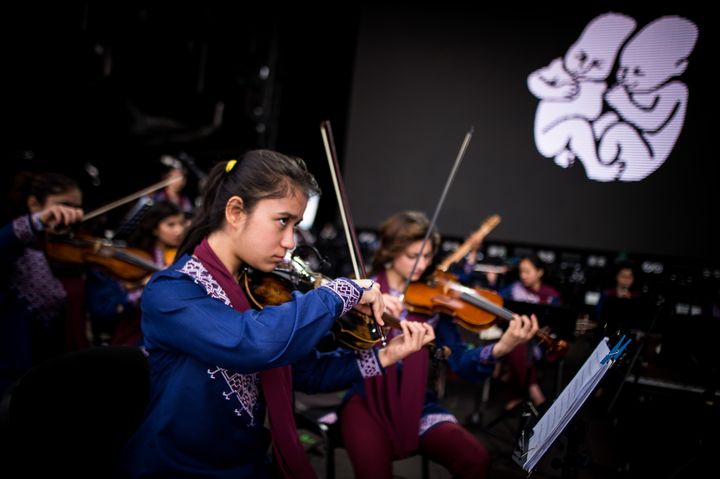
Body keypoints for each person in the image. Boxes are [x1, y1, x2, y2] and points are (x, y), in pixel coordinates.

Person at [121, 150, 435, 478]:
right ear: (236, 211)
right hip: (178, 470)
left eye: (296, 225)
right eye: (282, 221)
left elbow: (306, 373)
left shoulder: (259, 291)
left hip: (248, 465)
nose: (290, 242)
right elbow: (251, 342)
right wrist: (341, 292)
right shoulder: (170, 291)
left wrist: (386, 355)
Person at [338, 211, 540, 479]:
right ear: (390, 252)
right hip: (367, 399)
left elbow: (456, 358)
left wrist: (500, 348)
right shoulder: (361, 290)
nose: (422, 264)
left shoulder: (433, 300)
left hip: (418, 401)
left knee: (475, 459)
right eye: (413, 256)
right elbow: (335, 353)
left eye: (427, 255)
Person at [0, 172, 85, 396]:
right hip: (14, 376)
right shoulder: (16, 249)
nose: (73, 215)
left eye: (77, 208)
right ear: (34, 204)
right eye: (64, 206)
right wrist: (38, 220)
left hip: (59, 371)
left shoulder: (74, 254)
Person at [87, 201, 187, 347]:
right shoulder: (138, 258)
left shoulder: (183, 255)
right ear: (155, 229)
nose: (179, 230)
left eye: (182, 223)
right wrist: (144, 286)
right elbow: (111, 307)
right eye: (171, 225)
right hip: (142, 331)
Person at [498, 254, 562, 410]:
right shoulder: (513, 289)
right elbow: (498, 304)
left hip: (539, 344)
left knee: (518, 343)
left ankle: (514, 397)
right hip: (514, 339)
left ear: (540, 272)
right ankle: (535, 393)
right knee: (517, 341)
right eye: (521, 271)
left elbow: (557, 323)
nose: (523, 276)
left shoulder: (552, 296)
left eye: (527, 271)